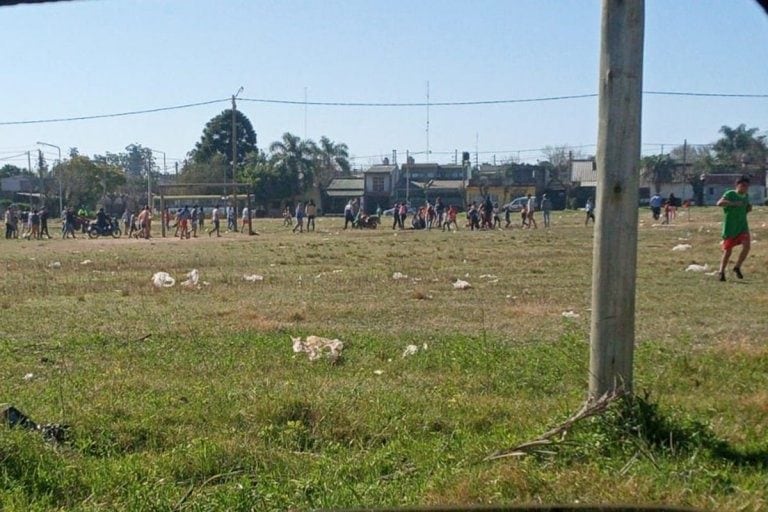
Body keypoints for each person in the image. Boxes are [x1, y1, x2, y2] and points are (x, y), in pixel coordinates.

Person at [716, 176, 751, 282]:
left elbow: (745, 209)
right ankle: (721, 272)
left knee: (747, 246)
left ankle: (737, 267)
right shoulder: (730, 194)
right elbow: (719, 203)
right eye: (743, 185)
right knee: (728, 251)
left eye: (747, 186)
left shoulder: (746, 196)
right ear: (737, 185)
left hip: (742, 226)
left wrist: (748, 208)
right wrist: (733, 203)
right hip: (730, 227)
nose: (745, 188)